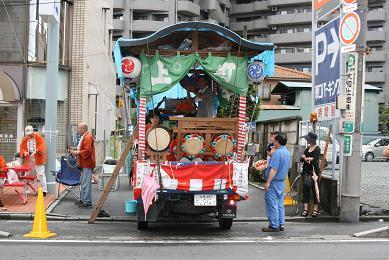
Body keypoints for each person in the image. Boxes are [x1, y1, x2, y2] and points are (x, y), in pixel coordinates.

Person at [262, 133, 291, 232]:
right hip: (282, 181)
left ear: (278, 142)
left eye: (274, 141)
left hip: (274, 181)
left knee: (272, 203)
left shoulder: (277, 153)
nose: (273, 142)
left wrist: (268, 182)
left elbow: (273, 169)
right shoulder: (287, 152)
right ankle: (281, 223)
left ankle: (274, 225)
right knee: (279, 203)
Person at [72, 123, 96, 208]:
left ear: (83, 129)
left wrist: (77, 152)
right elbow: (84, 149)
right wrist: (76, 150)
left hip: (87, 163)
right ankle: (83, 200)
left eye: (79, 129)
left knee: (86, 183)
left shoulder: (87, 137)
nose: (77, 131)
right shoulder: (85, 136)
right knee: (83, 182)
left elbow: (87, 151)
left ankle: (87, 202)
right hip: (84, 163)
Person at [20, 126, 47, 196]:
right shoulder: (25, 139)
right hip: (29, 157)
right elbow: (21, 147)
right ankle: (26, 189)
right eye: (28, 134)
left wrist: (35, 152)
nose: (29, 135)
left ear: (32, 131)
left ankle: (44, 190)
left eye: (30, 133)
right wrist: (24, 152)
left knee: (40, 173)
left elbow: (42, 146)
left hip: (38, 156)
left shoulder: (38, 137)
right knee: (26, 173)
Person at [300, 132, 321, 217]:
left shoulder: (317, 149)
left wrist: (306, 158)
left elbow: (314, 159)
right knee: (305, 190)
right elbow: (301, 158)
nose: (307, 140)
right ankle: (305, 209)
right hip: (306, 172)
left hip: (314, 173)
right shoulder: (307, 148)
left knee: (315, 190)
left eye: (307, 139)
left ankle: (315, 209)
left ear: (311, 140)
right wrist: (307, 159)